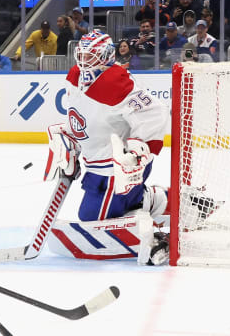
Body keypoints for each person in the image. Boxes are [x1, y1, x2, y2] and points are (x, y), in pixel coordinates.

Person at [45, 30, 168, 261]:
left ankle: (155, 237)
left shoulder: (116, 81)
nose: (83, 62)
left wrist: (137, 152)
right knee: (90, 216)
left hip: (118, 169)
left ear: (106, 56)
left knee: (92, 220)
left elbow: (156, 112)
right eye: (81, 55)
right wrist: (70, 139)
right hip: (95, 167)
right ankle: (153, 199)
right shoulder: (74, 75)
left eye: (90, 56)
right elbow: (82, 115)